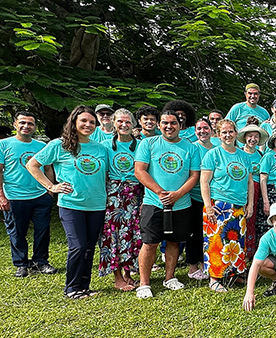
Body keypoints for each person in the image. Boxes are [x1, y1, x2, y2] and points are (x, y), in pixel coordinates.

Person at [27, 106, 108, 299]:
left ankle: (84, 286)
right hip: (71, 204)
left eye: (92, 122)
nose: (88, 125)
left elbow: (105, 175)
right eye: (84, 121)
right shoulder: (59, 145)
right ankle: (71, 288)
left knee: (89, 247)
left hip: (97, 204)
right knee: (78, 246)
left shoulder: (101, 148)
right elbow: (32, 164)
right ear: (74, 122)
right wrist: (51, 186)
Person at [134, 110, 201, 298]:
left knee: (175, 241)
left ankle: (170, 277)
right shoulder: (148, 143)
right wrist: (159, 191)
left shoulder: (191, 147)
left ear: (180, 126)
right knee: (149, 243)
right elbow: (140, 171)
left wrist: (178, 194)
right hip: (154, 202)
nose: (169, 126)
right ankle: (144, 283)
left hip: (181, 204)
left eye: (173, 123)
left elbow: (194, 175)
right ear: (159, 125)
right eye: (165, 123)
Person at [0, 112, 56, 277]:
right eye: (22, 123)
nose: (26, 126)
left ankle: (41, 262)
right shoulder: (3, 144)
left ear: (35, 127)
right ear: (15, 125)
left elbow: (47, 168)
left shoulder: (41, 146)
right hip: (14, 196)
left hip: (40, 196)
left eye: (30, 124)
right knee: (17, 232)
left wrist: (49, 190)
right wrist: (1, 196)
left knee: (42, 230)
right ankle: (21, 264)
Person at [201, 119, 254, 292]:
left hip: (239, 206)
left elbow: (249, 182)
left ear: (236, 133)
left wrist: (250, 203)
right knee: (216, 243)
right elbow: (204, 182)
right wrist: (208, 206)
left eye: (231, 131)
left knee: (236, 242)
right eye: (223, 132)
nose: (228, 135)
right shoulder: (213, 154)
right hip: (219, 205)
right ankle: (215, 278)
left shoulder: (244, 156)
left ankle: (234, 273)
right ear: (217, 135)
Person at [98, 109, 143, 291]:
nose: (124, 125)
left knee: (133, 234)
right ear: (114, 123)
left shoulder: (141, 145)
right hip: (113, 194)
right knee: (113, 234)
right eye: (120, 122)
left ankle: (129, 273)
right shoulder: (105, 145)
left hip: (135, 193)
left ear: (133, 124)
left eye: (127, 122)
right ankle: (117, 277)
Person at [185, 117, 214, 281]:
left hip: (211, 198)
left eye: (205, 128)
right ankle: (192, 266)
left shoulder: (217, 148)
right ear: (195, 131)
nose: (202, 131)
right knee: (194, 233)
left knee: (208, 233)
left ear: (211, 130)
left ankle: (206, 263)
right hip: (194, 196)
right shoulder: (191, 149)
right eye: (199, 129)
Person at [238, 119, 269, 259]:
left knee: (252, 219)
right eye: (250, 136)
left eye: (256, 136)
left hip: (256, 190)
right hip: (241, 189)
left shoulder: (260, 155)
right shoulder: (238, 154)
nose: (253, 139)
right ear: (245, 138)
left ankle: (250, 250)